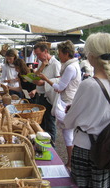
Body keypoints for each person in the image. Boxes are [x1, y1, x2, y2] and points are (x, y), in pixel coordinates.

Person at [63, 32, 110, 187]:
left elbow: (68, 122)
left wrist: (74, 113)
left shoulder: (89, 84)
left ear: (91, 56)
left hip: (88, 150)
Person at [38, 40, 81, 170]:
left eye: (60, 53)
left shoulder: (69, 67)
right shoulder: (73, 65)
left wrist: (46, 80)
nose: (59, 56)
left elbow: (59, 88)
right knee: (69, 134)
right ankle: (71, 162)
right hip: (69, 101)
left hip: (67, 102)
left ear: (66, 53)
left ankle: (70, 162)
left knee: (68, 134)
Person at [33, 42, 61, 144]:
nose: (38, 57)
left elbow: (59, 81)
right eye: (36, 54)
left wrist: (44, 82)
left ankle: (52, 145)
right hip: (40, 95)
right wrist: (41, 67)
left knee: (49, 122)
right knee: (41, 123)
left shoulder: (55, 64)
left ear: (45, 51)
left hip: (49, 97)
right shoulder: (41, 62)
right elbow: (35, 77)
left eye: (39, 54)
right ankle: (42, 143)